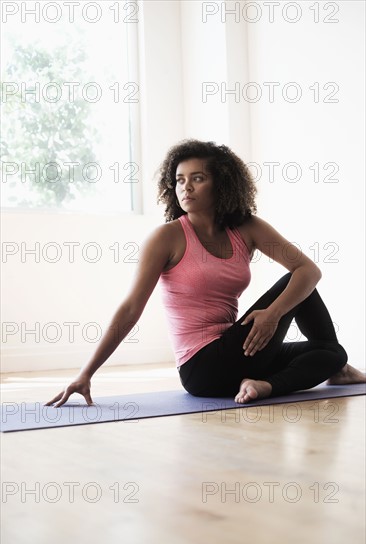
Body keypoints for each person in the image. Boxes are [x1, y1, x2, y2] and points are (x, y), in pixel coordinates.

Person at [45, 140, 365, 408]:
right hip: (202, 368)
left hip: (241, 351)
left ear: (222, 183)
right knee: (293, 286)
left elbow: (310, 270)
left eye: (197, 178)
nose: (186, 187)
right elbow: (130, 308)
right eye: (180, 180)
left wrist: (273, 314)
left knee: (331, 351)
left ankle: (273, 383)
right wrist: (85, 373)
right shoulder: (166, 238)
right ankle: (300, 378)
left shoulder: (247, 228)